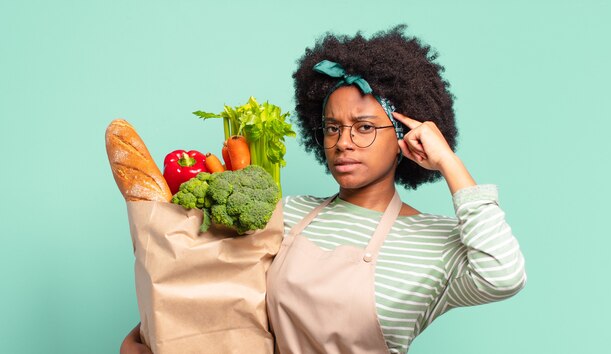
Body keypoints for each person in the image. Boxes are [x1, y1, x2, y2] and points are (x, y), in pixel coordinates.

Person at [121, 25, 526, 354]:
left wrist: (448, 162)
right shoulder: (289, 213)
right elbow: (215, 294)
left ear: (405, 135)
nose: (343, 142)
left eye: (365, 127)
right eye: (333, 127)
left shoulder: (435, 242)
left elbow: (503, 274)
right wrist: (153, 338)